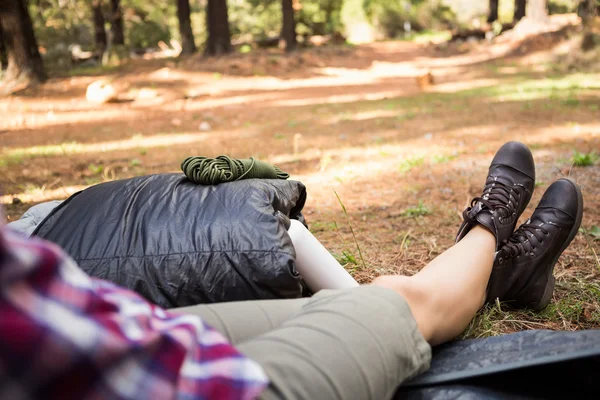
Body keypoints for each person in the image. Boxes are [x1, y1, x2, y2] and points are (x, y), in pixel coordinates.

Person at [0, 142, 583, 400]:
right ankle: (488, 231)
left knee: (333, 305)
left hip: (84, 334)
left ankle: (499, 275)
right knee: (392, 306)